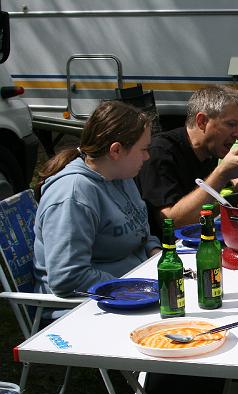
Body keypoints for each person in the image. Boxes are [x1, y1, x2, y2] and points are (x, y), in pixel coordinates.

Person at [33, 101, 161, 318]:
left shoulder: (121, 175)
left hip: (129, 293)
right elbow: (68, 277)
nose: (147, 157)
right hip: (83, 310)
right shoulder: (72, 195)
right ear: (116, 150)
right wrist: (133, 288)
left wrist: (156, 255)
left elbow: (141, 233)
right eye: (143, 149)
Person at [135, 85, 238, 236]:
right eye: (231, 124)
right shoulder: (161, 152)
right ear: (202, 121)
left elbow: (201, 212)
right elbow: (171, 223)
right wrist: (221, 174)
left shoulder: (209, 151)